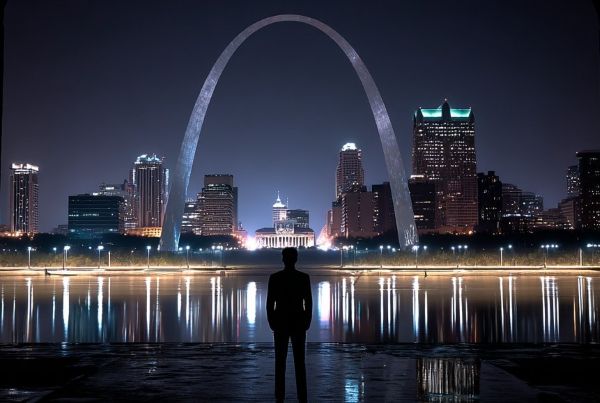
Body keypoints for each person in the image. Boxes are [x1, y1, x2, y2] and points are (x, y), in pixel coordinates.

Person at [266, 247, 312, 403]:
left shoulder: (275, 278)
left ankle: (279, 397)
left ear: (283, 259)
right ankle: (302, 397)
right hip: (298, 322)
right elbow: (309, 303)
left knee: (280, 363)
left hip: (280, 322)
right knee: (300, 364)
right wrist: (307, 322)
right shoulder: (303, 278)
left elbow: (269, 304)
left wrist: (272, 322)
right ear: (296, 259)